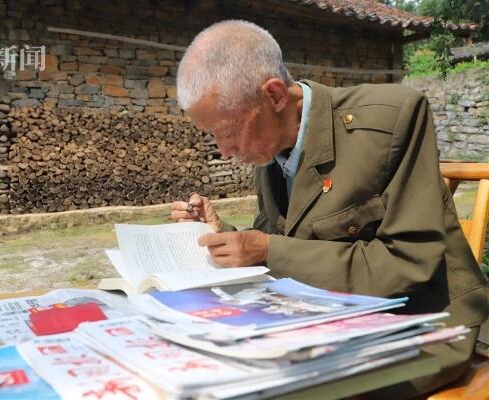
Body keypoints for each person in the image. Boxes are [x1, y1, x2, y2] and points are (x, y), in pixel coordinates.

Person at [170, 20, 488, 397]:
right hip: (321, 320)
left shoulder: (392, 119)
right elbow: (280, 244)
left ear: (273, 96)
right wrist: (227, 237)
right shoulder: (269, 149)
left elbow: (407, 263)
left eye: (227, 131)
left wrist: (265, 250)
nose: (223, 150)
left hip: (418, 325)